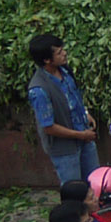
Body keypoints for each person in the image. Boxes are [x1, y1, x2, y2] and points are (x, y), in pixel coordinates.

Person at [27, 33, 98, 188]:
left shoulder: (65, 72)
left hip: (85, 139)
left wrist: (85, 114)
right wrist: (81, 135)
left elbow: (73, 98)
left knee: (96, 184)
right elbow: (49, 127)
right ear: (46, 60)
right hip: (65, 149)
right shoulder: (39, 89)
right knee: (73, 190)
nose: (64, 53)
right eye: (59, 52)